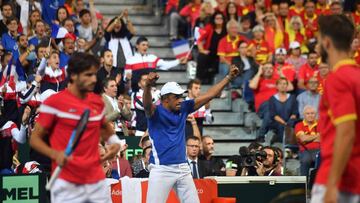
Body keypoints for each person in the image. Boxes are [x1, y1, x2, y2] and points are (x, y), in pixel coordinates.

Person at [29, 52, 122, 203]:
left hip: (96, 181)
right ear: (73, 75)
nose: (93, 79)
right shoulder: (53, 103)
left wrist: (115, 143)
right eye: (88, 75)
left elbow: (105, 128)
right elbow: (34, 139)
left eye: (94, 74)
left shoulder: (97, 102)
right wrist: (55, 154)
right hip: (66, 185)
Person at [143, 65, 239, 203]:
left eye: (181, 96)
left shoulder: (183, 107)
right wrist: (147, 85)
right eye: (176, 97)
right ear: (165, 99)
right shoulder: (154, 112)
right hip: (161, 169)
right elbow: (146, 104)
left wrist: (228, 77)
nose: (181, 100)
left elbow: (209, 95)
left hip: (183, 167)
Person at [310, 15, 360, 203]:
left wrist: (332, 184)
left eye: (318, 40)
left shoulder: (337, 78)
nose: (316, 46)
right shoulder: (356, 76)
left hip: (339, 179)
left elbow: (346, 132)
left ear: (327, 42)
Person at [268, 77, 298, 143]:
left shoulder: (292, 97)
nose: (282, 85)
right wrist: (284, 123)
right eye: (280, 84)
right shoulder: (272, 99)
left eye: (284, 84)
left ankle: (291, 145)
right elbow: (273, 114)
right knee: (281, 126)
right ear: (277, 86)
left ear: (287, 86)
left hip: (290, 121)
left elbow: (295, 112)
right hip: (277, 121)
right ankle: (283, 144)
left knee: (292, 124)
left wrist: (289, 122)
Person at [295, 105, 320, 177]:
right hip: (305, 150)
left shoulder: (320, 124)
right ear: (304, 115)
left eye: (312, 113)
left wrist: (307, 138)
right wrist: (317, 136)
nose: (310, 115)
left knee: (322, 160)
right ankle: (304, 184)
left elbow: (322, 138)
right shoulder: (299, 125)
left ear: (315, 114)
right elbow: (303, 139)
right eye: (308, 113)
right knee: (305, 160)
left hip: (319, 150)